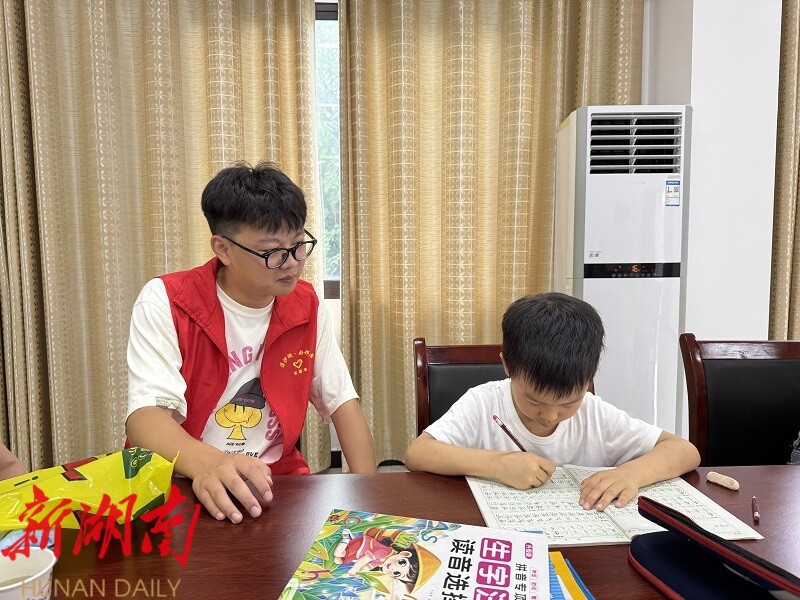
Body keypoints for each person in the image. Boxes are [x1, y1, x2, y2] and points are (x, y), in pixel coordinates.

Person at [126, 162, 376, 523]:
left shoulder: (305, 305)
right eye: (273, 252)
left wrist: (369, 500)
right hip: (180, 479)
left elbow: (342, 403)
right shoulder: (168, 300)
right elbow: (145, 418)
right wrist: (212, 464)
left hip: (273, 483)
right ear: (223, 249)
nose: (292, 264)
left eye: (298, 245)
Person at [404, 292, 700, 512]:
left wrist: (631, 474)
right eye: (534, 401)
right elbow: (418, 454)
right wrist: (497, 464)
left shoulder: (594, 414)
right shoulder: (483, 403)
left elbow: (684, 451)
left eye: (568, 403)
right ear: (507, 365)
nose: (550, 416)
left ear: (588, 379)